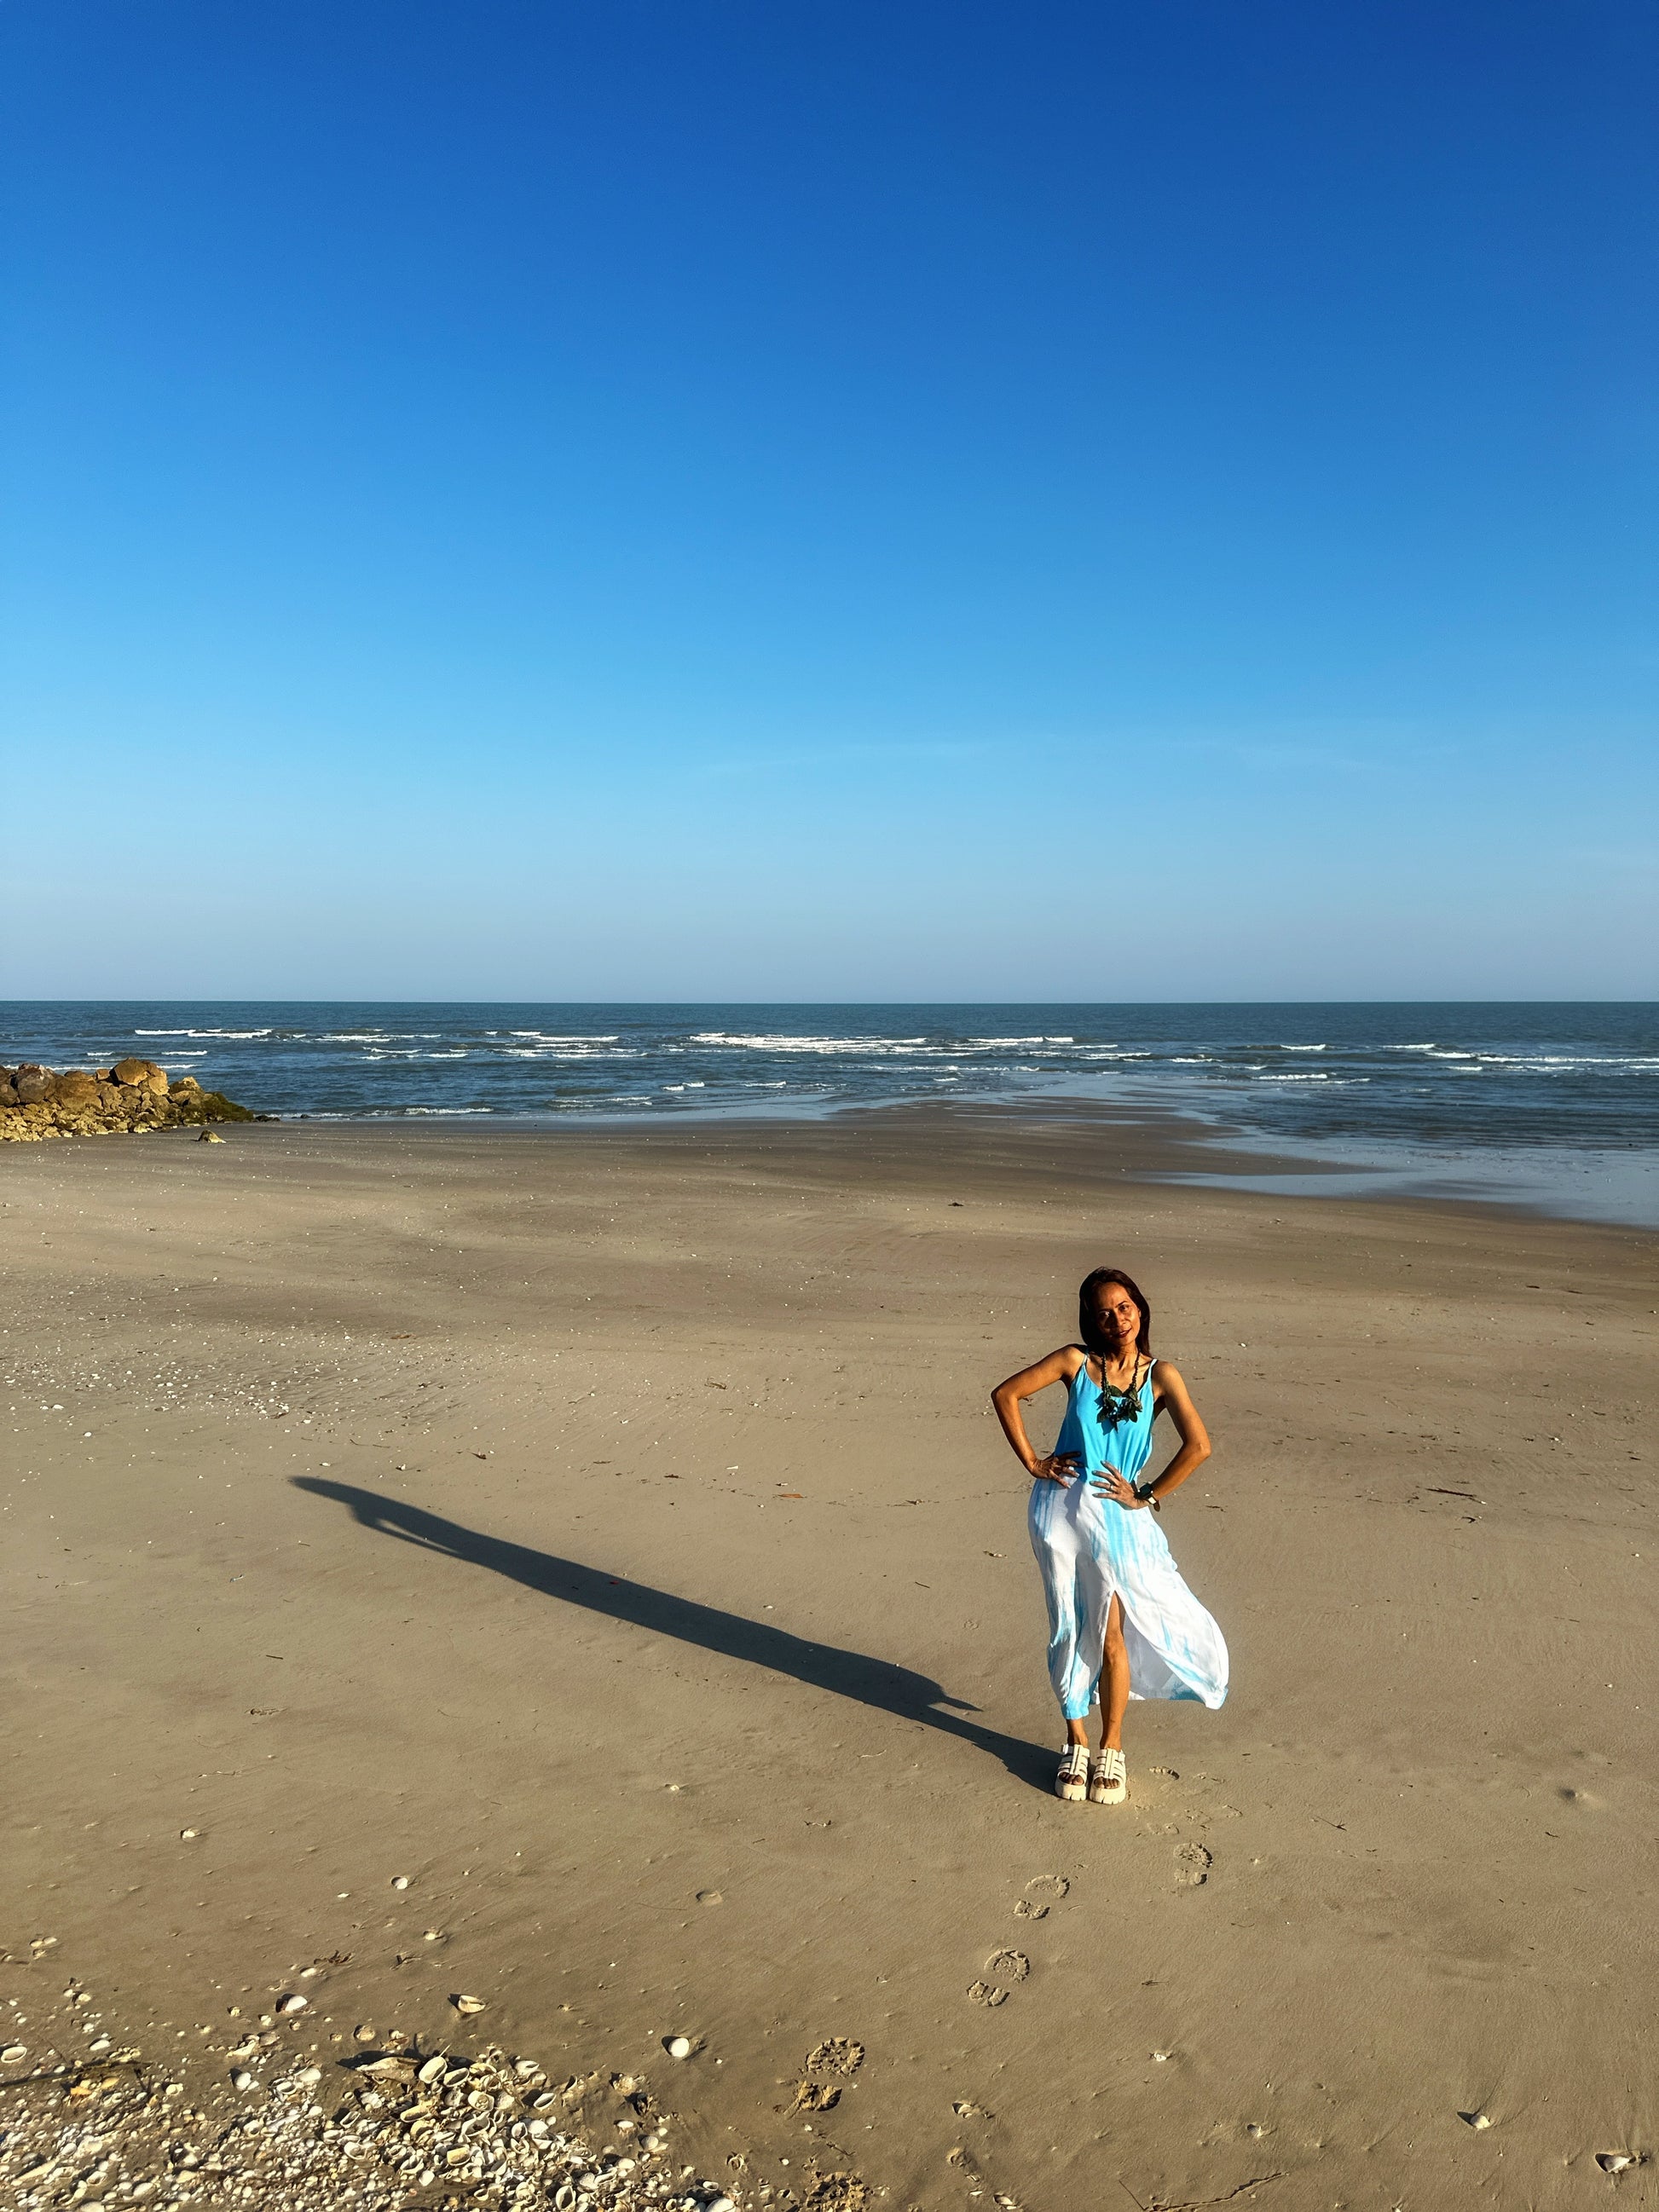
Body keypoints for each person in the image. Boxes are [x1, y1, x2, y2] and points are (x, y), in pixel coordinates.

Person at [990, 1266, 1228, 1804]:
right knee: (1070, 1628)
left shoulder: (1162, 1374)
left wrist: (1146, 1496)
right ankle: (1075, 1741)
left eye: (1124, 1307)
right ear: (1090, 1321)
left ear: (1140, 1309)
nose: (1116, 1319)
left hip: (1118, 1521)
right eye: (1103, 1312)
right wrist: (1033, 1462)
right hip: (1061, 1516)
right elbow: (1006, 1395)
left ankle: (1111, 1747)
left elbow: (1199, 1446)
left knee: (1112, 1632)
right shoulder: (1076, 1362)